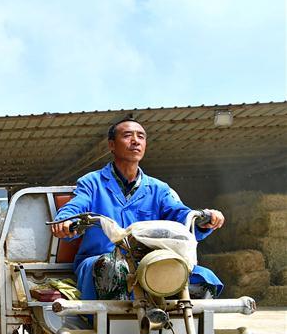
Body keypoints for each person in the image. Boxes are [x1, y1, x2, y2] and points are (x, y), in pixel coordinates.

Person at [50, 118, 225, 300]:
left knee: (205, 279)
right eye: (127, 135)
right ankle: (115, 326)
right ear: (112, 145)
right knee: (114, 268)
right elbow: (76, 205)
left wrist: (204, 220)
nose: (135, 140)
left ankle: (185, 327)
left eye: (141, 136)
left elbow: (179, 214)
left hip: (149, 261)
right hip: (100, 260)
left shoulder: (159, 189)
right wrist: (66, 220)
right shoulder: (92, 182)